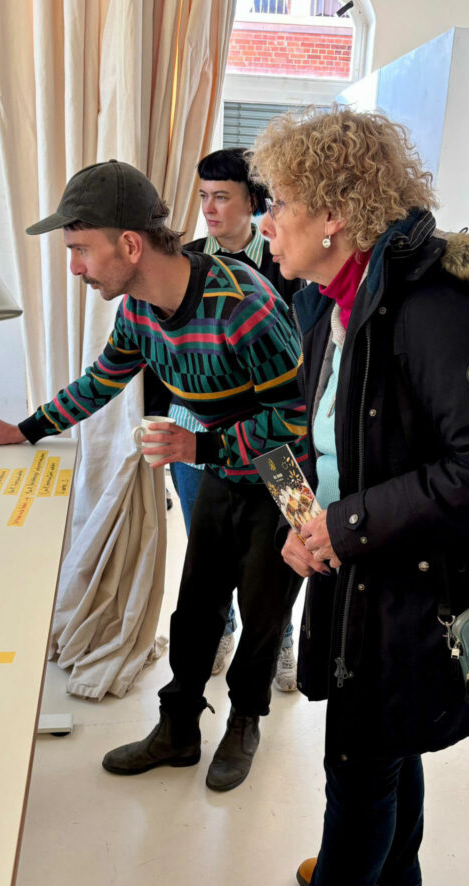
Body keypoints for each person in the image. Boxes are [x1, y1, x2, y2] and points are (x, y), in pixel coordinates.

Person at [211, 109, 469, 886]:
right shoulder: (333, 301)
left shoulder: (434, 308)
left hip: (417, 581)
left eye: (280, 203)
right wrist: (304, 517)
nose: (265, 221)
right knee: (386, 735)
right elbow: (327, 435)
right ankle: (395, 874)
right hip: (369, 562)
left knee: (358, 757)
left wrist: (346, 525)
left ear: (335, 214)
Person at [0, 159, 306, 792]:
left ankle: (243, 724)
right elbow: (102, 380)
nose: (75, 267)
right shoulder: (140, 311)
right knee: (196, 608)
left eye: (81, 249)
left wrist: (200, 446)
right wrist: (26, 428)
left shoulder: (244, 304)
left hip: (283, 476)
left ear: (130, 245)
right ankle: (179, 730)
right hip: (220, 462)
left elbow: (294, 424)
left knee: (263, 612)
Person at [173, 147, 306, 688]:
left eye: (222, 197)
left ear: (252, 202)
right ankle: (221, 630)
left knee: (287, 544)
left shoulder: (287, 259)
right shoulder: (181, 261)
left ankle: (280, 637)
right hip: (196, 434)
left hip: (276, 436)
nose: (209, 208)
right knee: (204, 550)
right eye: (203, 196)